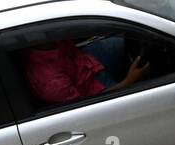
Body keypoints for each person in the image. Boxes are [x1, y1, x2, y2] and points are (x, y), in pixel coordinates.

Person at [21, 37, 150, 105]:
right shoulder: (51, 82)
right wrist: (129, 81)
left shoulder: (51, 38)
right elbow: (88, 106)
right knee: (147, 98)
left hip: (87, 60)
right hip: (93, 91)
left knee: (135, 38)